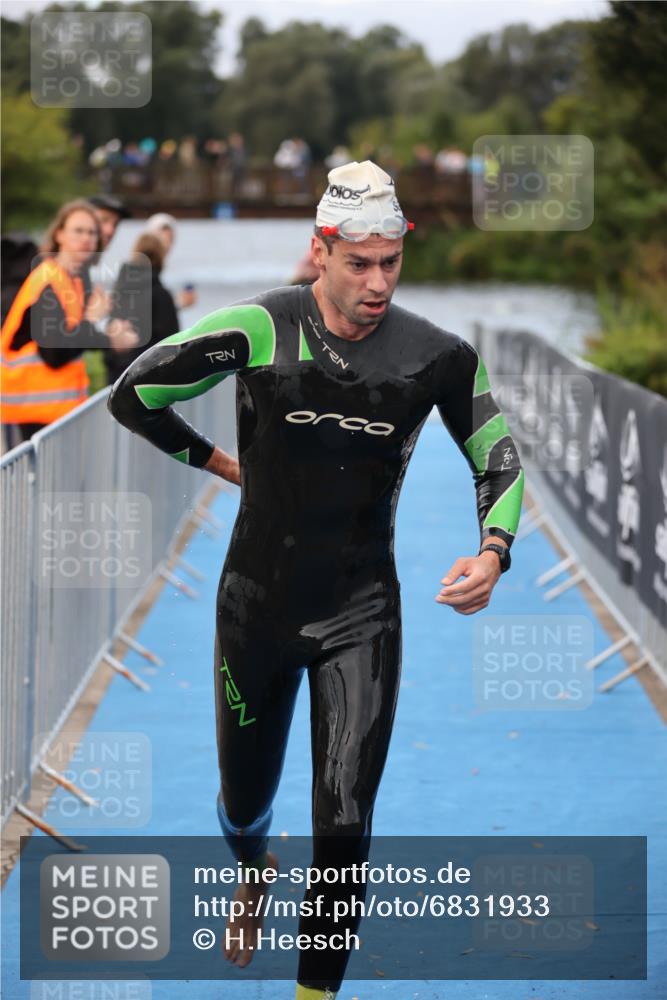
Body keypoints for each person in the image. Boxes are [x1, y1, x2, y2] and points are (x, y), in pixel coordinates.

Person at [107, 161, 524, 1000]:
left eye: (391, 261)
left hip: (361, 612)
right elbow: (131, 395)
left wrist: (493, 551)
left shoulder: (436, 356)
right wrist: (217, 461)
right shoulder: (257, 328)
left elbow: (497, 456)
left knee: (343, 823)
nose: (376, 282)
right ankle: (252, 867)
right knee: (241, 808)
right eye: (357, 262)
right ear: (320, 251)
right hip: (253, 611)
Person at [1, 199, 123, 446]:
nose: (87, 238)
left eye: (92, 232)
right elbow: (54, 353)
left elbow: (69, 339)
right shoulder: (48, 280)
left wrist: (108, 339)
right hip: (32, 411)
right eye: (78, 230)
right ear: (59, 234)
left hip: (52, 411)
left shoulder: (72, 281)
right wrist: (92, 320)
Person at [104, 232, 180, 386]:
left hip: (117, 378)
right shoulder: (160, 294)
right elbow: (173, 343)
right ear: (161, 257)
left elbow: (110, 333)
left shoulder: (120, 291)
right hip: (149, 381)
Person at [143, 213, 197, 310]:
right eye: (162, 239)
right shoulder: (143, 267)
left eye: (171, 239)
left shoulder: (162, 268)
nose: (167, 245)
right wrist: (179, 303)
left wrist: (179, 303)